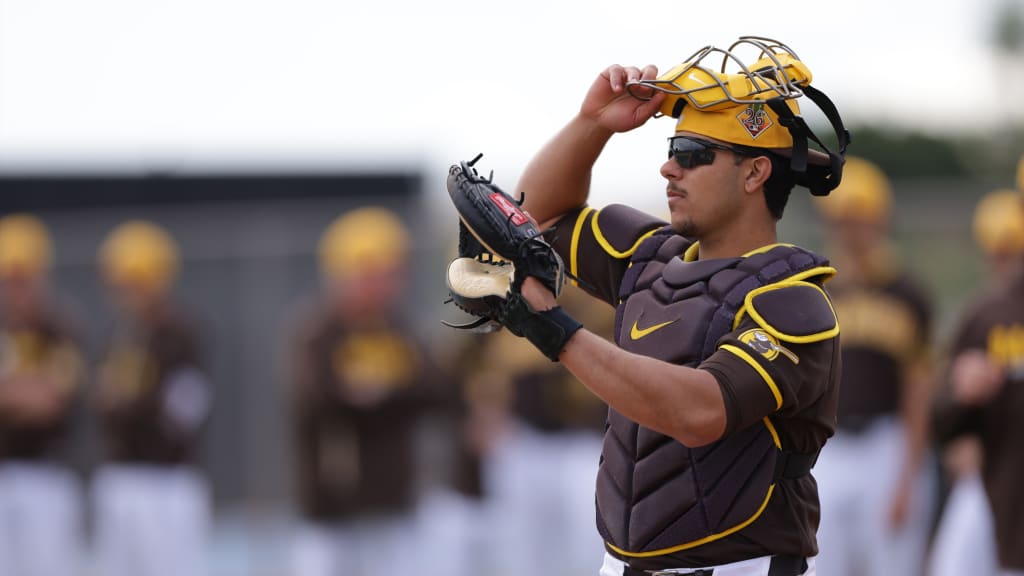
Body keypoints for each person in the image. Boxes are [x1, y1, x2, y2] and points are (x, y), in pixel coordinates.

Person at [487, 36, 848, 576]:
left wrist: (556, 332)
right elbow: (535, 219)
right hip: (624, 564)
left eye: (692, 155)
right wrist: (593, 124)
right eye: (672, 151)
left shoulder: (794, 300)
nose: (669, 169)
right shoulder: (647, 257)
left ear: (755, 173)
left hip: (741, 566)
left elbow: (700, 412)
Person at [287, 206, 439, 576]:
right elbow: (314, 398)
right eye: (374, 274)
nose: (386, 284)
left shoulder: (400, 329)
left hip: (390, 502)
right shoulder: (318, 330)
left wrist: (379, 394)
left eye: (391, 274)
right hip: (330, 510)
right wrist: (373, 397)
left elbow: (435, 391)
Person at [809, 156, 937, 576]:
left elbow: (918, 389)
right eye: (841, 220)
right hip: (829, 445)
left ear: (879, 220)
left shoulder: (907, 292)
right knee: (821, 564)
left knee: (892, 563)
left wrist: (909, 478)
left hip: (887, 443)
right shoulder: (818, 288)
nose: (849, 230)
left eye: (858, 218)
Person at [91, 220, 213, 576]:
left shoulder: (181, 332)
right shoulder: (118, 332)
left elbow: (180, 411)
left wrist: (127, 400)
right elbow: (102, 398)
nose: (129, 293)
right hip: (121, 475)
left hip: (167, 479)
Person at [475, 284, 612, 576]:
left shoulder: (597, 294)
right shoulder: (511, 295)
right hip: (525, 437)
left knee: (590, 540)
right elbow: (487, 366)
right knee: (520, 549)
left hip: (584, 439)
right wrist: (487, 413)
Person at [925, 188, 1021, 576]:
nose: (1004, 263)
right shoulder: (990, 313)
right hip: (1004, 503)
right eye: (997, 254)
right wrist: (961, 398)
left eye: (1009, 252)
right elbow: (942, 416)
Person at [0, 213, 87, 576]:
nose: (15, 289)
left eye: (23, 278)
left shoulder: (61, 326)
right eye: (8, 279)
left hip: (46, 477)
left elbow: (52, 401)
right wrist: (28, 391)